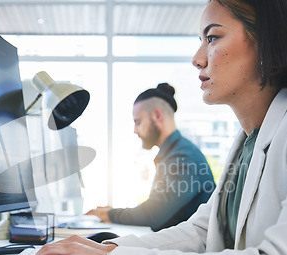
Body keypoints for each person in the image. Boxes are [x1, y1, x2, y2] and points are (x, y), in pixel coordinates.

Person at [29, 0, 287, 255]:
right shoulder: (249, 139)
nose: (197, 59)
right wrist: (102, 250)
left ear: (268, 40)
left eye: (212, 38)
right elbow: (201, 232)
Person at [86, 83, 215, 231]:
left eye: (138, 122)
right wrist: (111, 213)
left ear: (157, 116)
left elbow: (154, 214)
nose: (135, 130)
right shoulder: (174, 153)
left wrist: (110, 214)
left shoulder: (183, 157)